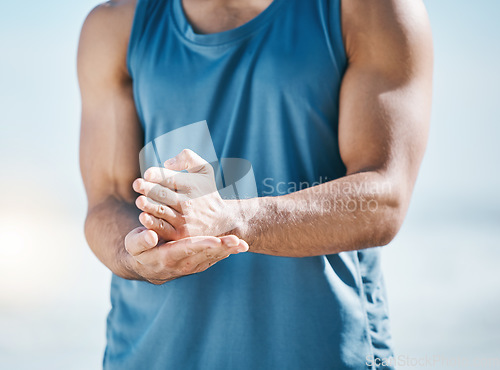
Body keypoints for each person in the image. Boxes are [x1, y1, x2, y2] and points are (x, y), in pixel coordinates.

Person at [78, 0, 433, 368]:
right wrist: (134, 257)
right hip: (149, 355)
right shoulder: (114, 26)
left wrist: (233, 219)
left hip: (322, 352)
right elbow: (107, 199)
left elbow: (384, 199)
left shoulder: (370, 9)